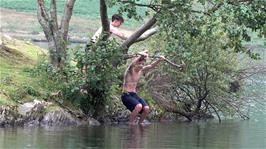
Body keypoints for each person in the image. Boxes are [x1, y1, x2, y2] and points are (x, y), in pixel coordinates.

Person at [121, 50, 165, 125]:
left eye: (142, 64)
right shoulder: (130, 70)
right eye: (139, 63)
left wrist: (159, 60)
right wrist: (141, 56)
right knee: (139, 106)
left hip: (134, 95)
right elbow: (133, 63)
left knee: (146, 108)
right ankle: (130, 124)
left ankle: (140, 124)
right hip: (126, 95)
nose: (141, 65)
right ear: (136, 64)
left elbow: (151, 66)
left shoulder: (141, 71)